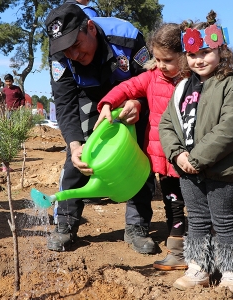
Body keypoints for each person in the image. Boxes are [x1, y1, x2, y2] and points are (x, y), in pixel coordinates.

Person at [45, 3, 156, 254]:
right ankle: (65, 224)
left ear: (91, 28)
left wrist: (138, 103)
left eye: (76, 45)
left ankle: (137, 225)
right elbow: (64, 104)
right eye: (65, 49)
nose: (72, 54)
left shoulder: (126, 37)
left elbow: (153, 82)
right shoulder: (60, 55)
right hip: (90, 95)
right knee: (79, 156)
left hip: (130, 95)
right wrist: (74, 144)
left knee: (140, 150)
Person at [159, 11, 233, 293]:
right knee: (197, 220)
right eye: (192, 53)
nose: (198, 59)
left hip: (221, 170)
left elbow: (230, 127)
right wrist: (178, 155)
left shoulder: (232, 83)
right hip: (187, 169)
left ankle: (232, 272)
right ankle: (198, 268)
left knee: (224, 221)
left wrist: (197, 158)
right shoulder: (182, 87)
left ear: (221, 50)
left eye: (205, 52)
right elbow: (167, 123)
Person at [94, 23, 190, 270]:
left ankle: (202, 248)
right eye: (156, 59)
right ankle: (179, 252)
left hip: (191, 158)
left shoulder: (193, 82)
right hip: (165, 159)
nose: (160, 65)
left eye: (167, 60)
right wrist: (107, 104)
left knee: (199, 204)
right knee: (173, 204)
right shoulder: (151, 78)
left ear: (185, 56)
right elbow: (126, 87)